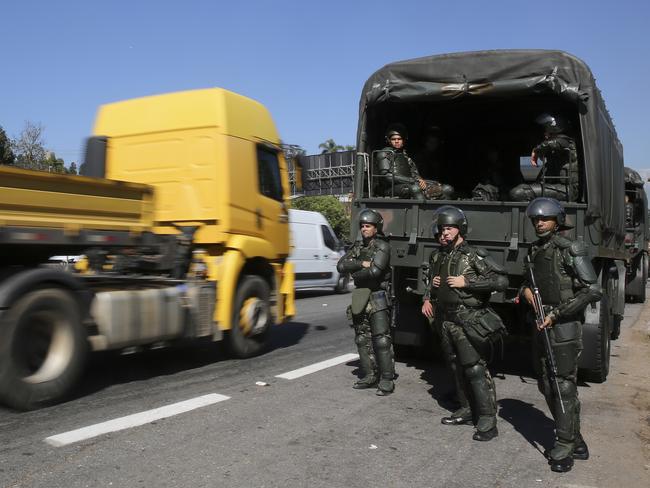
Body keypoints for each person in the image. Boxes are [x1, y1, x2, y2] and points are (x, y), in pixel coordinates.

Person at [520, 197, 601, 473]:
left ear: (558, 221)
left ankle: (565, 446)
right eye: (536, 219)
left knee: (562, 384)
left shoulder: (570, 248)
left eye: (545, 218)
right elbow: (526, 283)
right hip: (541, 324)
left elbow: (592, 289)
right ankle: (575, 439)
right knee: (545, 383)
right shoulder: (534, 251)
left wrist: (556, 314)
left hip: (563, 325)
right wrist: (525, 293)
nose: (540, 223)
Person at [421, 206, 508, 441]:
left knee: (474, 368)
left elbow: (500, 280)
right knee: (454, 366)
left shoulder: (473, 255)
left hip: (467, 318)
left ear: (460, 229)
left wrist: (467, 281)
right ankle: (467, 408)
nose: (444, 233)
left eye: (449, 228)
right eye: (441, 229)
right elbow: (430, 280)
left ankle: (488, 420)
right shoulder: (438, 255)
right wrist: (430, 293)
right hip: (444, 319)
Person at [337, 208, 395, 395]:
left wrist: (355, 271)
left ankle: (387, 378)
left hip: (378, 296)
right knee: (362, 338)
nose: (364, 229)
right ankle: (370, 374)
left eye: (368, 226)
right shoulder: (357, 247)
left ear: (376, 228)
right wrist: (361, 264)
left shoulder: (382, 247)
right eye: (362, 226)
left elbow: (375, 272)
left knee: (381, 340)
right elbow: (340, 266)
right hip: (361, 296)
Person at [510, 114, 579, 202]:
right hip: (559, 187)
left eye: (546, 131)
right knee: (520, 189)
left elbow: (554, 143)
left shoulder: (566, 141)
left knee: (518, 193)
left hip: (569, 190)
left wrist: (537, 150)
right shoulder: (554, 149)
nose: (544, 134)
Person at [373, 124, 427, 201]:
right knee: (415, 189)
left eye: (399, 139)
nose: (397, 141)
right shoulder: (384, 153)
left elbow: (414, 173)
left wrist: (420, 180)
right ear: (389, 140)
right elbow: (387, 176)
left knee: (446, 189)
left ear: (404, 140)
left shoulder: (405, 156)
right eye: (393, 139)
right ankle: (423, 212)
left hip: (408, 184)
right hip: (389, 188)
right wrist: (412, 181)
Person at [414, 126, 455, 199]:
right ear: (426, 143)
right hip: (422, 185)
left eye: (435, 143)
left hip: (436, 184)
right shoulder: (419, 157)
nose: (432, 145)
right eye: (430, 142)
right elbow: (416, 175)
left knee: (448, 190)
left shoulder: (439, 156)